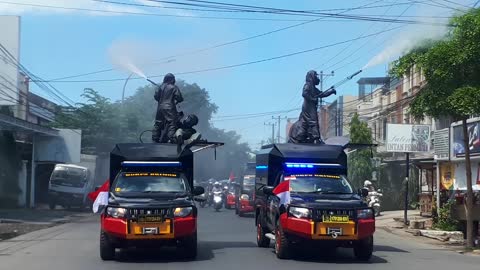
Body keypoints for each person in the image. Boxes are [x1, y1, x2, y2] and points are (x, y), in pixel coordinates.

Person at [288, 70, 336, 144]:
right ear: (311, 77)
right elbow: (304, 93)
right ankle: (316, 138)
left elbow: (322, 94)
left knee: (306, 122)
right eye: (315, 76)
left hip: (311, 107)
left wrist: (331, 91)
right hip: (308, 107)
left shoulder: (314, 88)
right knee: (313, 121)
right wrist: (312, 98)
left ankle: (308, 136)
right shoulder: (307, 85)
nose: (317, 78)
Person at [152, 73, 184, 143]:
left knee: (158, 122)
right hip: (169, 108)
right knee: (172, 122)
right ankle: (171, 138)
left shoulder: (160, 87)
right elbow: (179, 98)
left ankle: (155, 138)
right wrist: (177, 100)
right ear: (172, 79)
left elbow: (156, 97)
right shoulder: (174, 87)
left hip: (160, 107)